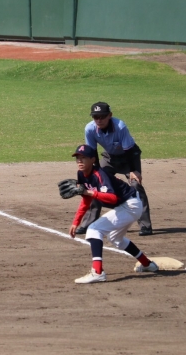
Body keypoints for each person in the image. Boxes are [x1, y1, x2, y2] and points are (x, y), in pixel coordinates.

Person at [68, 144, 158, 284]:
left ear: (93, 159)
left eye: (83, 157)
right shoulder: (81, 174)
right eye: (77, 158)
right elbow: (86, 199)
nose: (79, 160)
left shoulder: (100, 174)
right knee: (116, 238)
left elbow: (112, 198)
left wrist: (90, 192)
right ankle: (147, 264)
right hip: (126, 205)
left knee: (94, 229)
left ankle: (97, 272)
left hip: (131, 205)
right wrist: (76, 222)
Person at [75, 102, 153, 236]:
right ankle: (88, 223)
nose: (99, 120)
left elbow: (129, 150)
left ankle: (146, 226)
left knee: (136, 185)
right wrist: (96, 173)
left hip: (129, 157)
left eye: (102, 116)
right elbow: (92, 152)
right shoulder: (90, 128)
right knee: (95, 185)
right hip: (109, 158)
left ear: (110, 115)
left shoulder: (120, 126)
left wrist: (133, 170)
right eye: (95, 117)